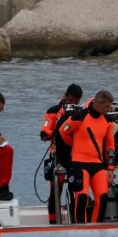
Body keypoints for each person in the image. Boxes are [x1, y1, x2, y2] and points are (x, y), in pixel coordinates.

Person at [58, 90, 115, 224]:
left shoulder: (107, 121)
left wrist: (111, 168)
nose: (109, 110)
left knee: (103, 198)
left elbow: (110, 147)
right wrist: (74, 144)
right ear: (99, 103)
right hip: (79, 163)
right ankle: (81, 228)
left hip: (98, 164)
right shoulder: (80, 116)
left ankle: (97, 227)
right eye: (107, 107)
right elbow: (63, 131)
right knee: (82, 197)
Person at [41, 84, 83, 223]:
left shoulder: (80, 113)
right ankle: (53, 222)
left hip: (76, 155)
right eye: (71, 100)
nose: (73, 104)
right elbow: (45, 131)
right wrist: (53, 133)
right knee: (55, 192)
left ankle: (78, 220)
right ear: (65, 96)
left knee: (77, 188)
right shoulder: (53, 111)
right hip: (57, 156)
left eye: (75, 102)